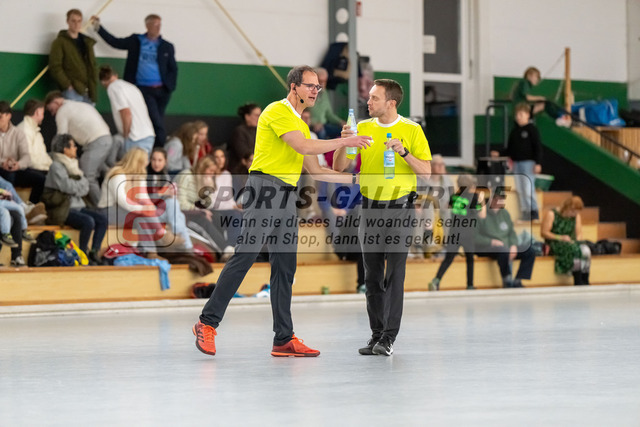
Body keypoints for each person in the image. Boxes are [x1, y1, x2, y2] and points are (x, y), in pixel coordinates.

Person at [193, 65, 371, 358]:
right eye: (310, 86)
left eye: (318, 87)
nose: (315, 91)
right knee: (246, 255)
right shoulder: (277, 111)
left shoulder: (302, 125)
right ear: (294, 87)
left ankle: (283, 338)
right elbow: (303, 146)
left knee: (286, 266)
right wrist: (344, 141)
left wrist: (357, 179)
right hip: (264, 188)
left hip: (288, 195)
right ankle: (207, 323)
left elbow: (317, 170)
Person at [334, 79, 432, 356]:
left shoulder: (412, 129)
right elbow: (340, 166)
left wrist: (404, 152)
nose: (368, 102)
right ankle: (376, 334)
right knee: (372, 276)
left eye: (374, 98)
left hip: (401, 208)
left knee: (395, 274)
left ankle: (389, 337)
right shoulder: (362, 128)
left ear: (391, 102)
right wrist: (344, 141)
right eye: (369, 97)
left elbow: (426, 172)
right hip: (369, 208)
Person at [91, 14, 178, 148]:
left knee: (158, 119)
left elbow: (173, 68)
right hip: (143, 89)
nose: (158, 27)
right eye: (155, 24)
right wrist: (98, 28)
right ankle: (159, 149)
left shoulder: (167, 46)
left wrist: (169, 86)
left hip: (162, 91)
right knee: (156, 121)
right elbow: (116, 42)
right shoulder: (136, 41)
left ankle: (157, 152)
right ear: (147, 25)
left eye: (159, 24)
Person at [98, 148, 190, 253]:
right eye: (146, 160)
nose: (148, 163)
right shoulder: (117, 175)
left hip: (127, 211)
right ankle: (163, 235)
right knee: (141, 215)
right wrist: (143, 209)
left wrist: (150, 208)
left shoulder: (139, 176)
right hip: (109, 211)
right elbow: (123, 201)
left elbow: (144, 198)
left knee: (141, 219)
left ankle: (150, 252)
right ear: (138, 161)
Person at [43, 134, 107, 264]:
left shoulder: (74, 165)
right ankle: (82, 254)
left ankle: (94, 252)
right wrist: (78, 185)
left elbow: (85, 187)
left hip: (78, 206)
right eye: (73, 146)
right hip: (63, 209)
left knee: (102, 220)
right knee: (88, 221)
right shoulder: (56, 166)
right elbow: (67, 186)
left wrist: (77, 185)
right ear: (65, 149)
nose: (76, 148)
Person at [45, 91, 113, 207]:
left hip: (96, 142)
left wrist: (51, 156)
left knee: (87, 177)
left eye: (51, 109)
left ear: (56, 102)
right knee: (105, 172)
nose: (52, 114)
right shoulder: (79, 104)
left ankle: (103, 209)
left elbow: (61, 139)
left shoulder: (62, 111)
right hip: (107, 139)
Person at [427, 174, 485, 292]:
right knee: (470, 259)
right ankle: (470, 285)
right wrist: (482, 200)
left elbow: (446, 207)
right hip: (468, 233)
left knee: (448, 258)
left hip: (454, 232)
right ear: (471, 185)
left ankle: (436, 280)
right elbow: (482, 216)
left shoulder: (454, 196)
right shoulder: (473, 197)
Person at [174, 155, 237, 259]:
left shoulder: (205, 179)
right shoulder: (187, 176)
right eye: (210, 170)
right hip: (182, 215)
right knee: (203, 220)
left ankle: (226, 248)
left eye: (213, 172)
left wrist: (207, 189)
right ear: (203, 167)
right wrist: (200, 211)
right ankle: (224, 250)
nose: (211, 174)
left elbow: (207, 205)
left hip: (194, 212)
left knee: (217, 216)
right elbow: (181, 203)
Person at [475, 191, 536, 288]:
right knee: (502, 250)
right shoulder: (481, 213)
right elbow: (475, 237)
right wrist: (491, 242)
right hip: (487, 247)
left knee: (529, 250)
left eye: (501, 200)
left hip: (506, 246)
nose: (499, 202)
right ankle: (507, 279)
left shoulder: (505, 213)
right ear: (491, 199)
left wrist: (513, 245)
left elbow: (511, 232)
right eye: (496, 199)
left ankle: (518, 280)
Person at [493, 103, 542, 221]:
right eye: (517, 115)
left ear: (527, 115)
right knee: (520, 189)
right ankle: (525, 212)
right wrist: (499, 153)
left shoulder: (532, 130)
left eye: (521, 114)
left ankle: (533, 211)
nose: (518, 117)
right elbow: (510, 149)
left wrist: (538, 163)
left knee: (528, 188)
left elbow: (538, 147)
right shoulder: (514, 132)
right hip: (517, 164)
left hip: (528, 163)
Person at [99, 64, 155, 156]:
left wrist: (125, 136)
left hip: (135, 137)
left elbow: (126, 113)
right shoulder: (131, 87)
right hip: (148, 134)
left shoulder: (113, 88)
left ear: (103, 82)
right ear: (115, 75)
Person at [0, 101, 46, 204]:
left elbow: (26, 156)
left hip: (15, 169)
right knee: (9, 176)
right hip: (2, 169)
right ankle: (13, 207)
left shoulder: (18, 133)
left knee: (40, 179)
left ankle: (32, 206)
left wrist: (18, 164)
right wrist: (3, 163)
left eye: (0, 117)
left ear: (9, 116)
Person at [49, 9, 98, 104]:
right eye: (73, 21)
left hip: (89, 90)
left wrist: (93, 86)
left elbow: (92, 65)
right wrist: (67, 85)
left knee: (88, 114)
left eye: (79, 21)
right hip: (72, 91)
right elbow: (55, 66)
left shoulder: (87, 42)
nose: (76, 24)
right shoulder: (60, 42)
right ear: (67, 21)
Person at [540, 195, 591, 285]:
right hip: (555, 242)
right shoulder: (552, 214)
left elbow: (579, 233)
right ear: (567, 208)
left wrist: (576, 241)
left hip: (570, 241)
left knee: (585, 250)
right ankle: (577, 278)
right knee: (575, 250)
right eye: (572, 211)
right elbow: (544, 232)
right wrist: (560, 237)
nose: (574, 214)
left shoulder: (576, 216)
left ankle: (585, 277)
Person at [16, 99, 52, 174]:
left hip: (40, 170)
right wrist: (48, 168)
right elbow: (28, 159)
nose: (43, 116)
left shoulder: (35, 131)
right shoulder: (24, 130)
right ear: (37, 112)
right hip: (30, 171)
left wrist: (52, 167)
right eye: (42, 113)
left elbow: (43, 155)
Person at [310, 67, 345, 139]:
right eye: (320, 81)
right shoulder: (307, 93)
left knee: (344, 131)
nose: (322, 84)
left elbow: (329, 114)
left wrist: (341, 122)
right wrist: (313, 123)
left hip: (324, 125)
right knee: (321, 132)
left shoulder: (324, 93)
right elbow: (302, 115)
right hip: (311, 126)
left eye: (325, 81)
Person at [228, 103, 260, 171]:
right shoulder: (239, 131)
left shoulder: (259, 131)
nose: (259, 118)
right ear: (247, 116)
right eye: (256, 115)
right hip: (241, 171)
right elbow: (244, 154)